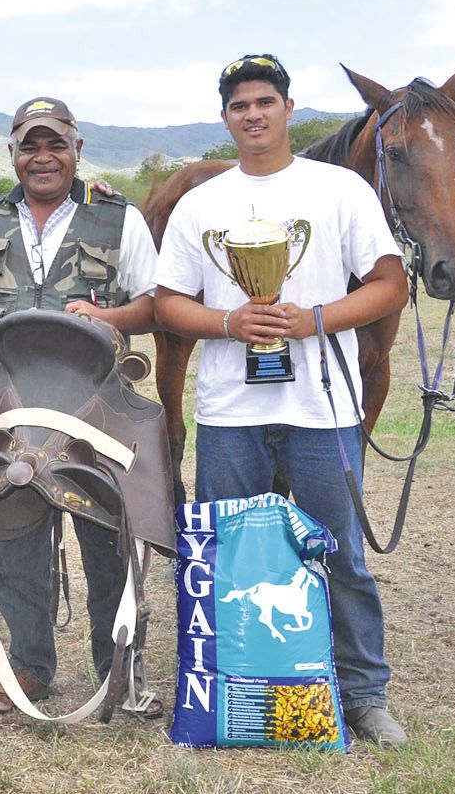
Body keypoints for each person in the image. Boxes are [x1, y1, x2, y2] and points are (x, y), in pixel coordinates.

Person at [153, 54, 410, 747]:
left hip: (323, 409)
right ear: (226, 119)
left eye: (266, 102)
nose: (254, 115)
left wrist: (318, 318)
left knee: (341, 553)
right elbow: (170, 302)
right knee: (226, 554)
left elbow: (391, 284)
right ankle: (221, 686)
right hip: (231, 411)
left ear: (289, 109)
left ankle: (363, 693)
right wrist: (229, 322)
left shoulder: (339, 191)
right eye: (240, 106)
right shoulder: (200, 205)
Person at [0, 96, 162, 716]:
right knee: (14, 539)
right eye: (30, 146)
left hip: (94, 415)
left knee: (105, 543)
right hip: (11, 412)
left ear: (77, 150)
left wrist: (108, 315)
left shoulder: (118, 219)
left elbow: (151, 303)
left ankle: (114, 669)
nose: (43, 157)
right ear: (14, 154)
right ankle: (31, 666)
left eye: (55, 145)